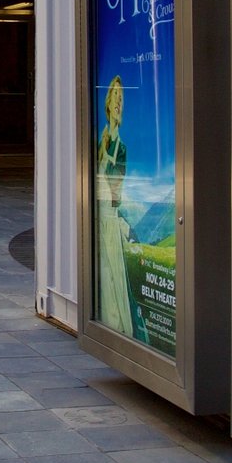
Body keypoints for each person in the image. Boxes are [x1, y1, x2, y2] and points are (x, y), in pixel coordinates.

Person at [92, 75, 139, 339]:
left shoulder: (120, 148)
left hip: (108, 215)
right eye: (115, 98)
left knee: (112, 275)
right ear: (108, 103)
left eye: (122, 99)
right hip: (99, 213)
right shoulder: (103, 141)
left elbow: (115, 191)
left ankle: (117, 326)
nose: (119, 103)